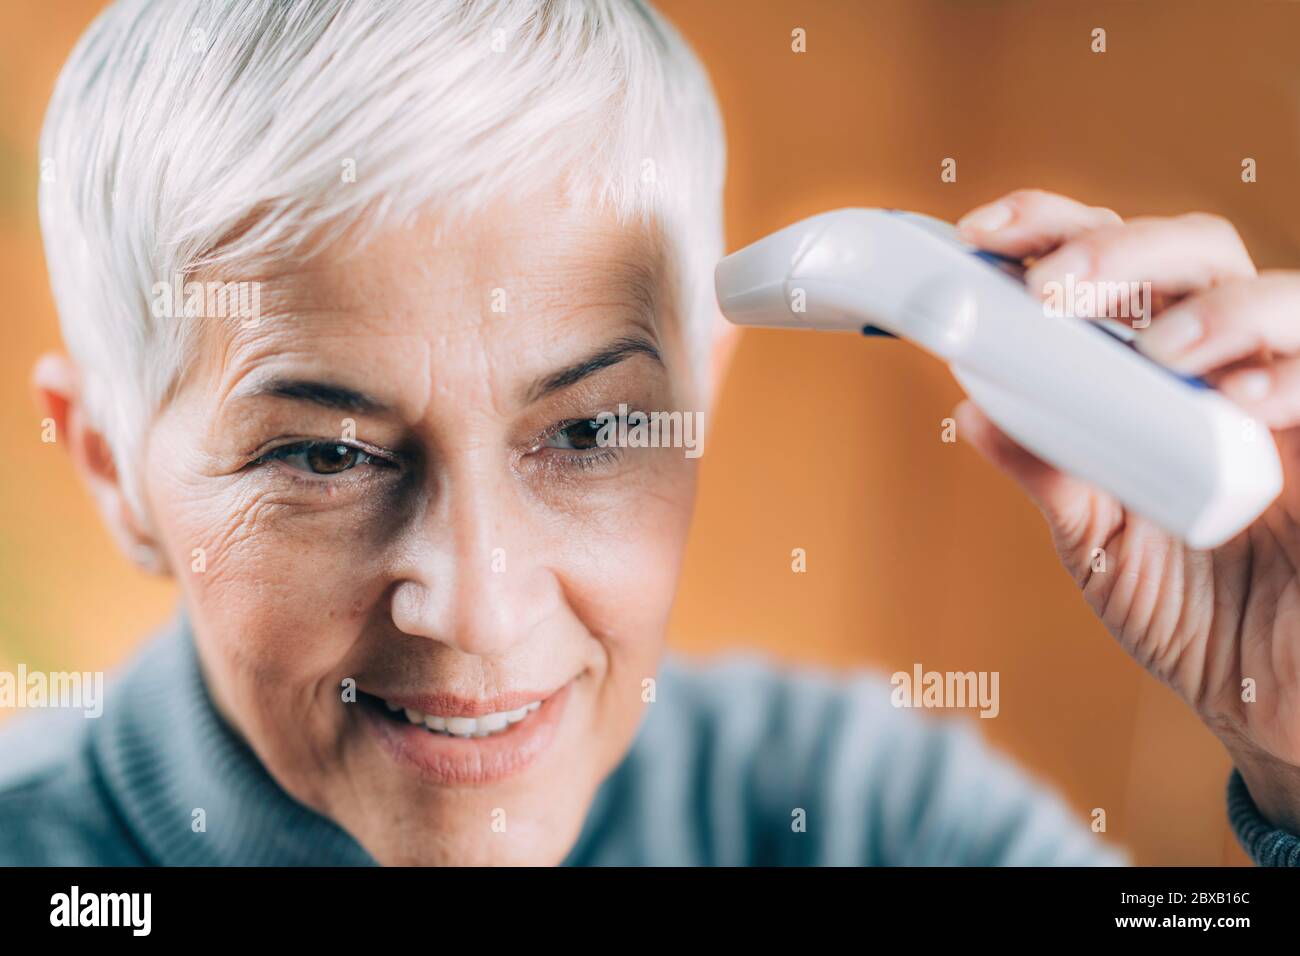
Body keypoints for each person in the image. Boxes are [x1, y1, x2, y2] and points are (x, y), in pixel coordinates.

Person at [2, 0, 1296, 866]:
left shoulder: (859, 816)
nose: (481, 612)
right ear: (112, 470)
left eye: (592, 428)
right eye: (327, 455)